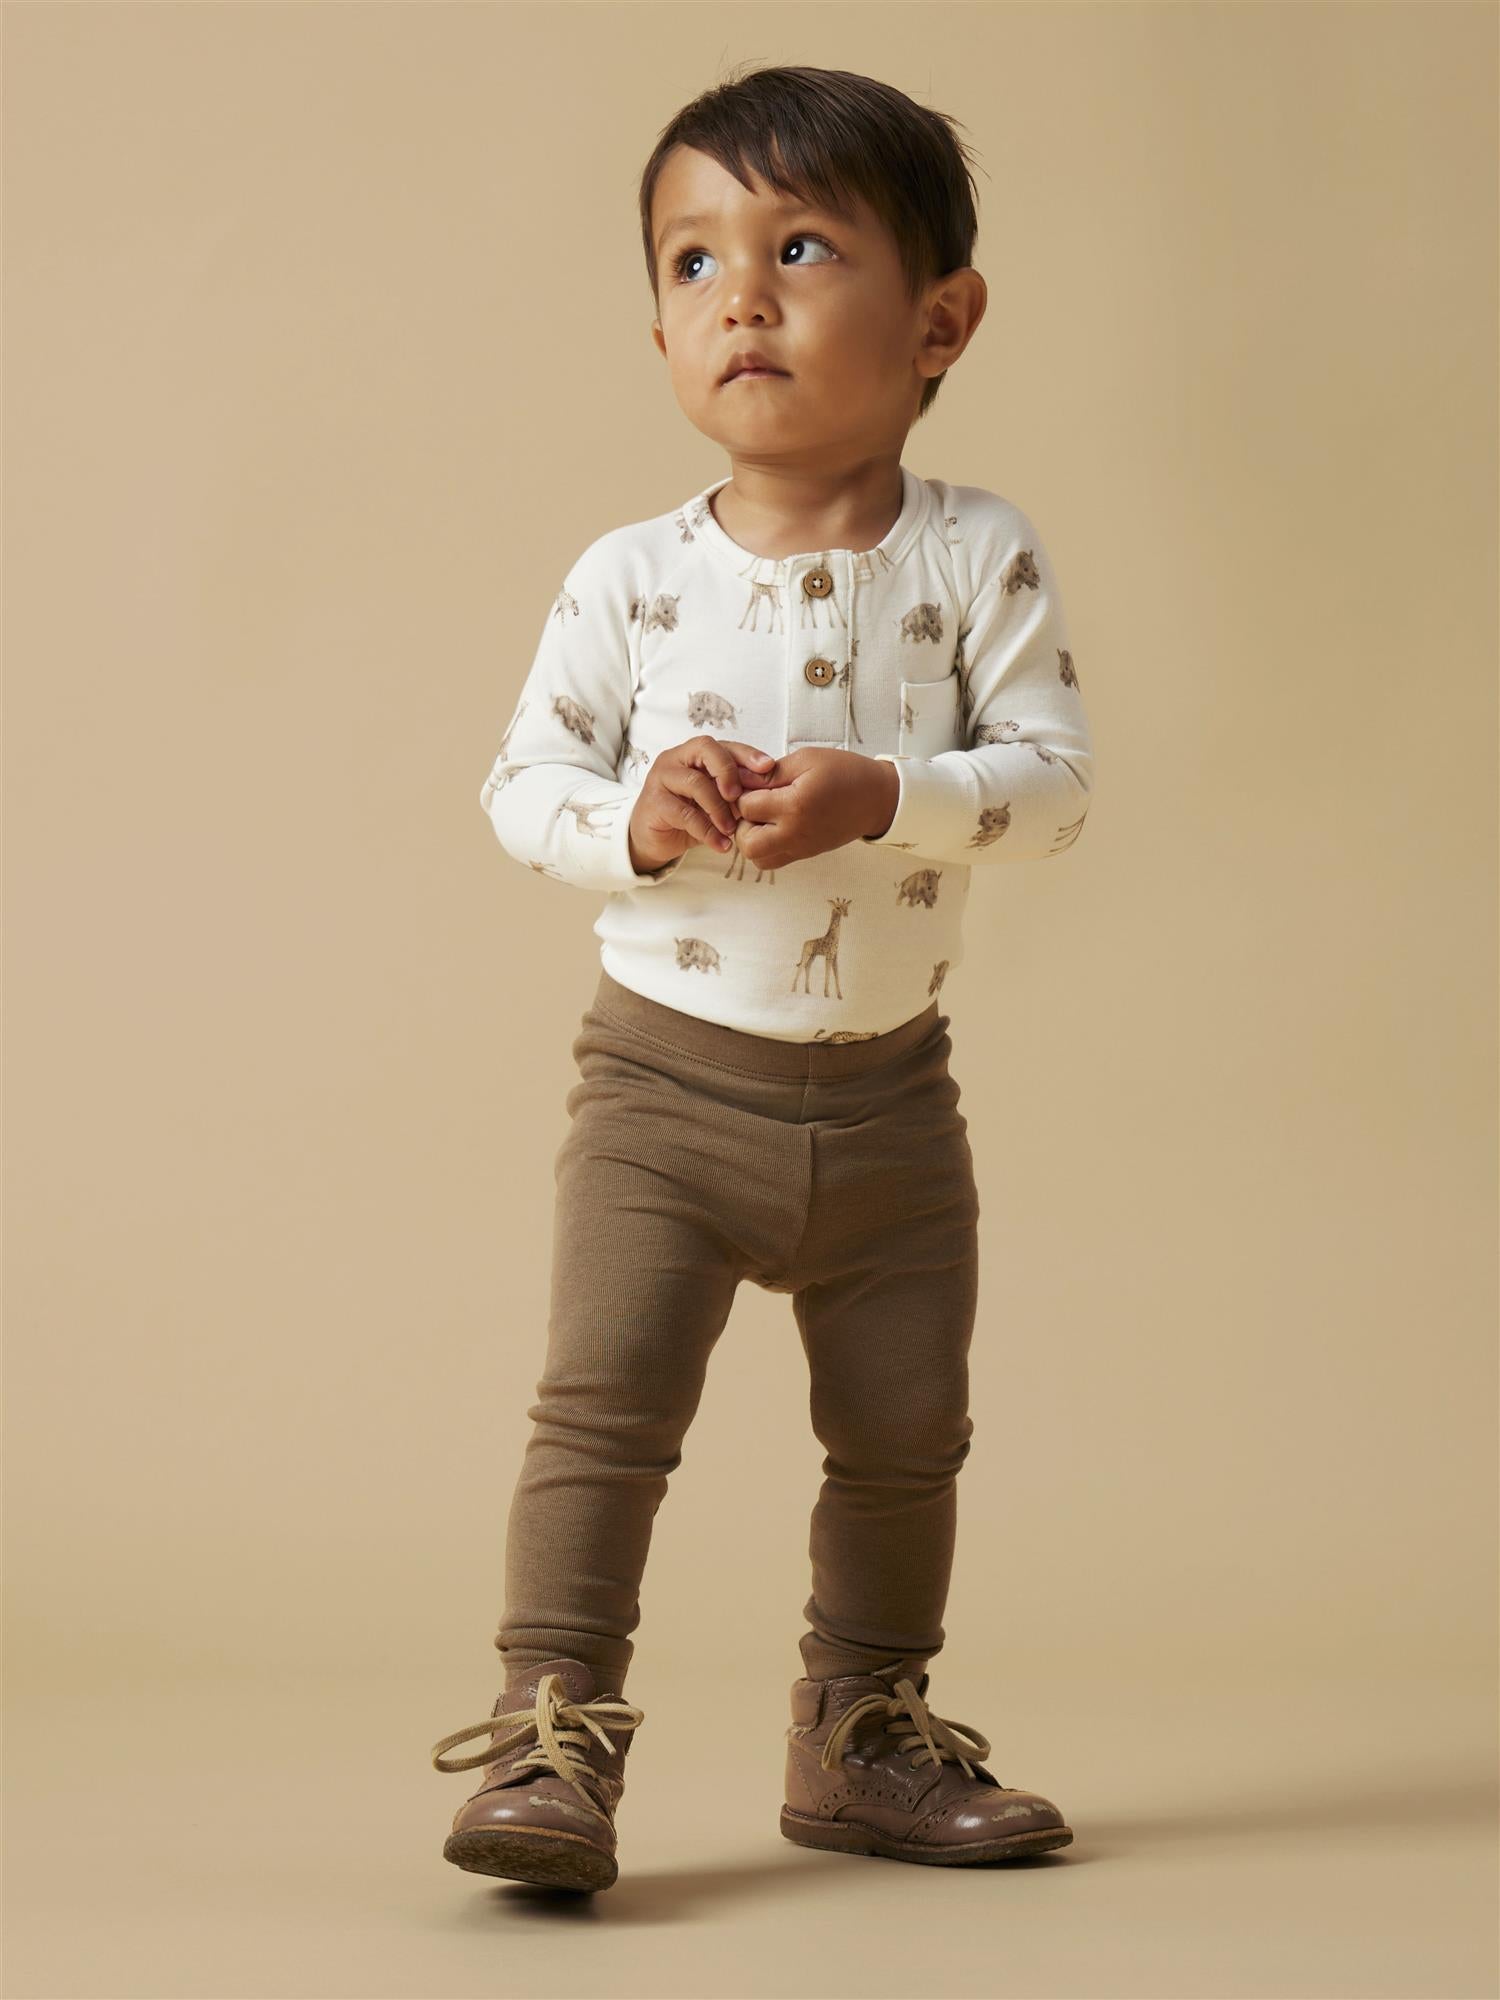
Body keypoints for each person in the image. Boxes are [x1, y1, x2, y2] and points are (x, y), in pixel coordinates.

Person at [428, 62, 1093, 1893]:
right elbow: (520, 786)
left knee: (906, 1434)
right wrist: (634, 822)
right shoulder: (632, 579)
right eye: (694, 260)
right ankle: (551, 1731)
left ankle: (864, 1730)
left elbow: (1054, 791)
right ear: (658, 325)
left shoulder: (977, 555)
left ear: (940, 321)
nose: (742, 297)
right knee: (604, 1415)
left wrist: (896, 793)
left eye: (801, 250)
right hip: (666, 1096)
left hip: (892, 1103)